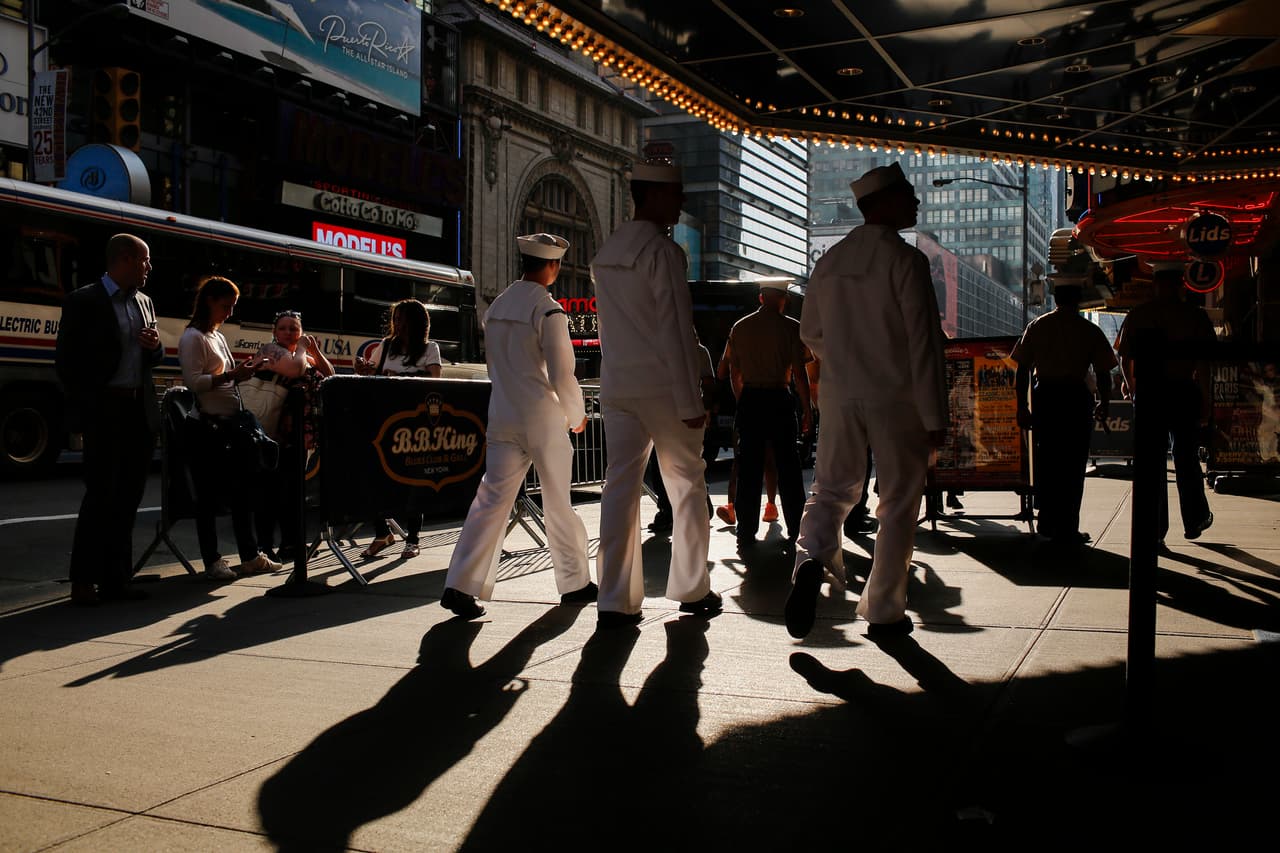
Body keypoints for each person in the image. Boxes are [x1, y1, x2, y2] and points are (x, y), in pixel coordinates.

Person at [784, 162, 948, 639]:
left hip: (839, 392)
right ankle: (883, 609)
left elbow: (810, 331)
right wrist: (934, 414)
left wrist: (841, 358)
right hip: (896, 396)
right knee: (897, 500)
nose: (916, 202)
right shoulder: (906, 260)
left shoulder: (829, 262)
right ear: (885, 204)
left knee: (832, 489)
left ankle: (810, 559)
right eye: (908, 195)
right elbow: (924, 342)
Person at [589, 150, 721, 628]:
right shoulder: (664, 253)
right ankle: (691, 588)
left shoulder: (606, 255)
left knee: (619, 488)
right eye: (676, 193)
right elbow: (675, 331)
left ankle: (615, 600)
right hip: (664, 388)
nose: (681, 201)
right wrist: (691, 401)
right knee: (687, 486)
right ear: (656, 195)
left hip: (619, 383)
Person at [439, 233, 596, 619]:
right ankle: (575, 583)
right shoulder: (548, 311)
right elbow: (563, 375)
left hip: (502, 413)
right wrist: (576, 416)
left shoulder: (496, 308)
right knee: (559, 501)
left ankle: (459, 584)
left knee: (490, 502)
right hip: (541, 415)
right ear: (553, 266)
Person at [55, 234, 164, 605]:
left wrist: (155, 347)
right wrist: (86, 409)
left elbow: (152, 357)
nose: (149, 267)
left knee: (129, 497)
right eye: (145, 260)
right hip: (105, 410)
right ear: (125, 259)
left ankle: (117, 579)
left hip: (138, 409)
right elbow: (67, 362)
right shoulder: (84, 301)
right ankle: (83, 581)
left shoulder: (145, 302)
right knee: (101, 495)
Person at [179, 276, 282, 579]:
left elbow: (225, 376)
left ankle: (249, 555)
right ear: (209, 301)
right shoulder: (193, 337)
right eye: (225, 306)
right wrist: (230, 376)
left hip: (229, 425)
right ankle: (212, 560)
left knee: (242, 493)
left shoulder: (217, 335)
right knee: (209, 497)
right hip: (207, 428)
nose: (229, 313)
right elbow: (193, 382)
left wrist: (243, 373)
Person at [1114, 262, 1216, 542]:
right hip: (1183, 391)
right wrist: (1207, 398)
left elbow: (1124, 358)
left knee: (1152, 464)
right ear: (1181, 284)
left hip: (1150, 395)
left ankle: (1156, 529)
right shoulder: (1194, 316)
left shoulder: (1138, 315)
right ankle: (1194, 519)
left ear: (1155, 285)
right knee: (1186, 458)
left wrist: (1134, 388)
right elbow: (1204, 363)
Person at [1011, 280, 1118, 545]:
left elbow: (1022, 369)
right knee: (1073, 465)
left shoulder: (1037, 326)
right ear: (1079, 301)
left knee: (1047, 462)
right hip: (1075, 400)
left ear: (1055, 299)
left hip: (1045, 399)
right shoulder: (1089, 330)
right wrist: (1104, 402)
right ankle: (1068, 527)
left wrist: (1022, 406)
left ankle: (1046, 522)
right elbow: (1104, 373)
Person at [724, 281, 811, 551]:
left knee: (749, 466)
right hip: (779, 398)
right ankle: (796, 527)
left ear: (761, 297)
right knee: (789, 466)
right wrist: (808, 409)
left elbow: (733, 372)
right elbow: (799, 373)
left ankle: (746, 530)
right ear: (784, 299)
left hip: (751, 398)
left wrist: (742, 400)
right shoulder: (792, 328)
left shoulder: (740, 327)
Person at [353, 298, 442, 558]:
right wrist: (364, 370)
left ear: (416, 322)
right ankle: (382, 532)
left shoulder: (429, 348)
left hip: (413, 424)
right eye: (396, 318)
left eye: (403, 319)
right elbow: (374, 375)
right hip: (384, 419)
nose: (398, 324)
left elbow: (435, 379)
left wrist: (400, 378)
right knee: (375, 476)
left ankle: (412, 539)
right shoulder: (385, 346)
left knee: (413, 479)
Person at [252, 310, 335, 561]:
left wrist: (316, 352)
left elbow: (330, 375)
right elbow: (295, 370)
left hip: (297, 434)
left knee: (294, 493)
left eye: (294, 329)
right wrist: (301, 348)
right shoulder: (270, 350)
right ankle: (265, 546)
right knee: (270, 494)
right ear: (274, 332)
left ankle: (291, 544)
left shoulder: (302, 354)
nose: (289, 333)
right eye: (284, 328)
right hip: (273, 432)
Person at [714, 340, 782, 529]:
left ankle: (732, 507)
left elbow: (721, 372)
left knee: (740, 459)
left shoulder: (739, 333)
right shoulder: (776, 334)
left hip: (746, 404)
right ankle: (770, 506)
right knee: (769, 458)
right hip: (772, 402)